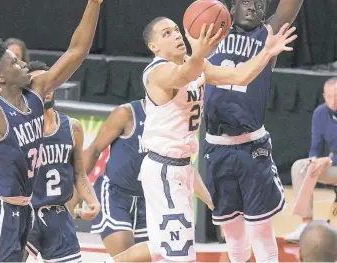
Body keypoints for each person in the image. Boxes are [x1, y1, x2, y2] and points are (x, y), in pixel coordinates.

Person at [104, 15, 297, 263]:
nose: (175, 35)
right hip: (164, 169)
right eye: (166, 34)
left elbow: (240, 77)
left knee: (160, 247)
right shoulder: (157, 72)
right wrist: (199, 53)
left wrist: (266, 52)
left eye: (175, 30)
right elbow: (182, 76)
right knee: (182, 254)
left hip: (183, 166)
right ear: (155, 47)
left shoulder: (195, 64)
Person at [0, 0, 103, 261]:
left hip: (23, 210)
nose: (24, 65)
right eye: (14, 63)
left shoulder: (36, 91)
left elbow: (77, 51)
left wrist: (94, 3)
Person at [203, 0, 304, 262]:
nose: (254, 8)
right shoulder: (213, 31)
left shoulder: (267, 34)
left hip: (252, 146)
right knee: (233, 235)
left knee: (260, 232)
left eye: (260, 4)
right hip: (216, 146)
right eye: (247, 2)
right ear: (231, 8)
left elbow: (288, 7)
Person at [24, 61, 100, 263]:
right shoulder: (20, 128)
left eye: (48, 81)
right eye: (37, 83)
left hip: (58, 214)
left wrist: (92, 200)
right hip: (25, 213)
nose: (45, 88)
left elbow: (79, 174)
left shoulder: (72, 127)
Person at [84, 98, 149, 256]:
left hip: (149, 199)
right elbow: (94, 149)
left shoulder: (172, 118)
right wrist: (77, 190)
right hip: (115, 194)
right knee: (124, 255)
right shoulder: (126, 113)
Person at [285, 78, 337, 243]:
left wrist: (327, 161)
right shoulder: (320, 113)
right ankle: (306, 225)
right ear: (324, 96)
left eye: (336, 96)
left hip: (332, 162)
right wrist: (313, 160)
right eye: (329, 96)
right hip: (333, 165)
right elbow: (316, 146)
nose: (333, 101)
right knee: (299, 167)